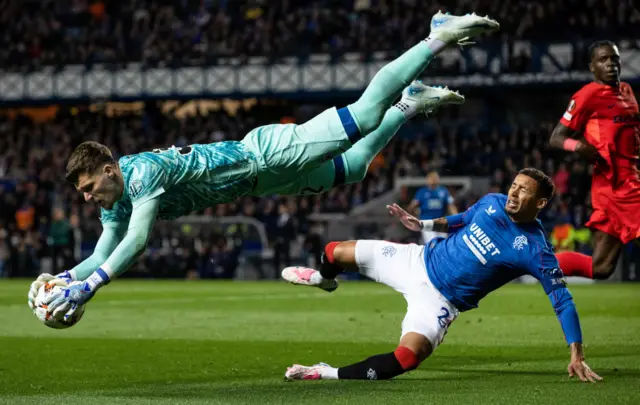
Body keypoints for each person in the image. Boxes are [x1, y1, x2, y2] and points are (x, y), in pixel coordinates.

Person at [27, 12, 500, 321]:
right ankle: (409, 105)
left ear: (109, 169)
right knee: (352, 168)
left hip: (266, 153)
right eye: (83, 194)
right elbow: (104, 248)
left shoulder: (142, 173)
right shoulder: (115, 200)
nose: (89, 198)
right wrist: (67, 278)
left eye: (90, 186)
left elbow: (135, 242)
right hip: (265, 181)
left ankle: (435, 35)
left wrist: (91, 285)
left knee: (363, 113)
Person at [281, 168, 601, 383]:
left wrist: (577, 352)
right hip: (416, 260)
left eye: (524, 192)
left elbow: (562, 301)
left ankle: (325, 372)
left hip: (440, 300)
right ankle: (323, 279)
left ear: (541, 203)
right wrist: (422, 225)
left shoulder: (534, 248)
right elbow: (460, 219)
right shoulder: (492, 202)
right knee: (334, 251)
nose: (514, 195)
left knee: (407, 357)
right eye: (514, 186)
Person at [549, 40, 640, 280]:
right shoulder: (588, 95)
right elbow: (556, 138)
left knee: (601, 267)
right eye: (603, 60)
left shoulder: (627, 91)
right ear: (592, 66)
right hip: (616, 186)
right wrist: (578, 146)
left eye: (614, 58)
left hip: (628, 180)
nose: (610, 64)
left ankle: (533, 261)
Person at [408, 170, 457, 244]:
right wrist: (414, 215)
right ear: (427, 180)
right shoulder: (422, 192)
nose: (433, 180)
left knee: (443, 244)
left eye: (435, 178)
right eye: (431, 178)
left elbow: (451, 205)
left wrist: (456, 217)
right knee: (432, 243)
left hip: (440, 221)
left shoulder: (443, 191)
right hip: (426, 221)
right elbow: (412, 206)